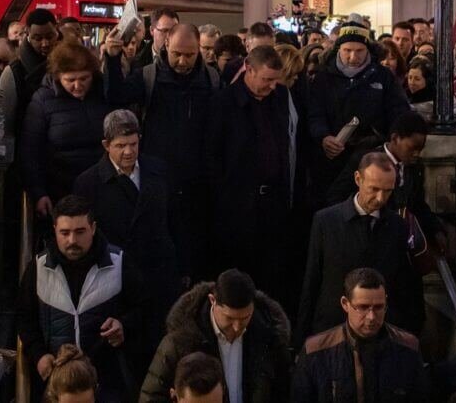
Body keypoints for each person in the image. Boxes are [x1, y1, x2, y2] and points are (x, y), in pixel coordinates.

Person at [104, 23, 219, 284]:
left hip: (197, 180)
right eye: (177, 53)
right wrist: (111, 60)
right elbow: (116, 96)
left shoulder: (210, 79)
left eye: (189, 55)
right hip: (158, 176)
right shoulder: (149, 76)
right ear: (166, 45)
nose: (182, 61)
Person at [17, 195, 146, 401]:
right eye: (64, 233)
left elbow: (143, 308)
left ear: (93, 228)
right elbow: (24, 318)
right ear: (54, 230)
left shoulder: (119, 263)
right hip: (57, 384)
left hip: (107, 383)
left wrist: (123, 325)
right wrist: (39, 355)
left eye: (80, 232)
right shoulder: (38, 268)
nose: (72, 241)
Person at [74, 110, 179, 352]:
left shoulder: (158, 171)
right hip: (118, 281)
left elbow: (175, 219)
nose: (129, 152)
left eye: (133, 144)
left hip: (158, 275)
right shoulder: (88, 184)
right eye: (121, 145)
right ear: (106, 145)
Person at [298, 153, 423, 344]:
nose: (381, 198)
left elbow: (404, 283)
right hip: (332, 330)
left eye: (388, 191)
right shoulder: (326, 221)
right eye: (374, 189)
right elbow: (312, 280)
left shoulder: (398, 226)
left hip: (381, 332)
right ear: (358, 179)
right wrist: (301, 339)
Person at [205, 46, 292, 297]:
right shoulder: (223, 103)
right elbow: (212, 157)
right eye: (267, 80)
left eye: (276, 80)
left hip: (273, 204)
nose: (272, 86)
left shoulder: (281, 96)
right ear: (249, 70)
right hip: (237, 208)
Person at [139, 269, 292, 403]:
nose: (237, 327)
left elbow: (284, 392)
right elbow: (151, 397)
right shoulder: (180, 342)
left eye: (245, 318)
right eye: (230, 318)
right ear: (212, 301)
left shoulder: (269, 338)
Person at [307, 21, 410, 208]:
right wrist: (323, 136)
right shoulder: (323, 77)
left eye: (359, 50)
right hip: (331, 156)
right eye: (347, 50)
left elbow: (398, 111)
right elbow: (315, 112)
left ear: (368, 49)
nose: (353, 56)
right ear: (338, 48)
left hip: (371, 153)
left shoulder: (383, 76)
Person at [292, 268, 429, 403]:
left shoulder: (408, 348)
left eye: (379, 307)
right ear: (345, 304)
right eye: (363, 307)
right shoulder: (315, 351)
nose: (371, 317)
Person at [325, 111, 445, 261]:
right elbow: (336, 195)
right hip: (368, 242)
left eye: (420, 150)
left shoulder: (412, 168)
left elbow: (418, 204)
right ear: (395, 138)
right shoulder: (366, 160)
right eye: (412, 148)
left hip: (400, 243)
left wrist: (436, 230)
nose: (416, 154)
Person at [20, 42, 112, 215]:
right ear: (58, 77)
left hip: (102, 186)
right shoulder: (43, 100)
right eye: (70, 80)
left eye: (84, 78)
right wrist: (39, 192)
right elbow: (31, 149)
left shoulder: (104, 93)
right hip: (61, 188)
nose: (78, 86)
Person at [0, 8, 61, 160]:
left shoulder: (72, 63)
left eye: (49, 36)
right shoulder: (13, 72)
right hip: (27, 151)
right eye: (37, 38)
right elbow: (6, 122)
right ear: (27, 36)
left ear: (57, 33)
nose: (45, 43)